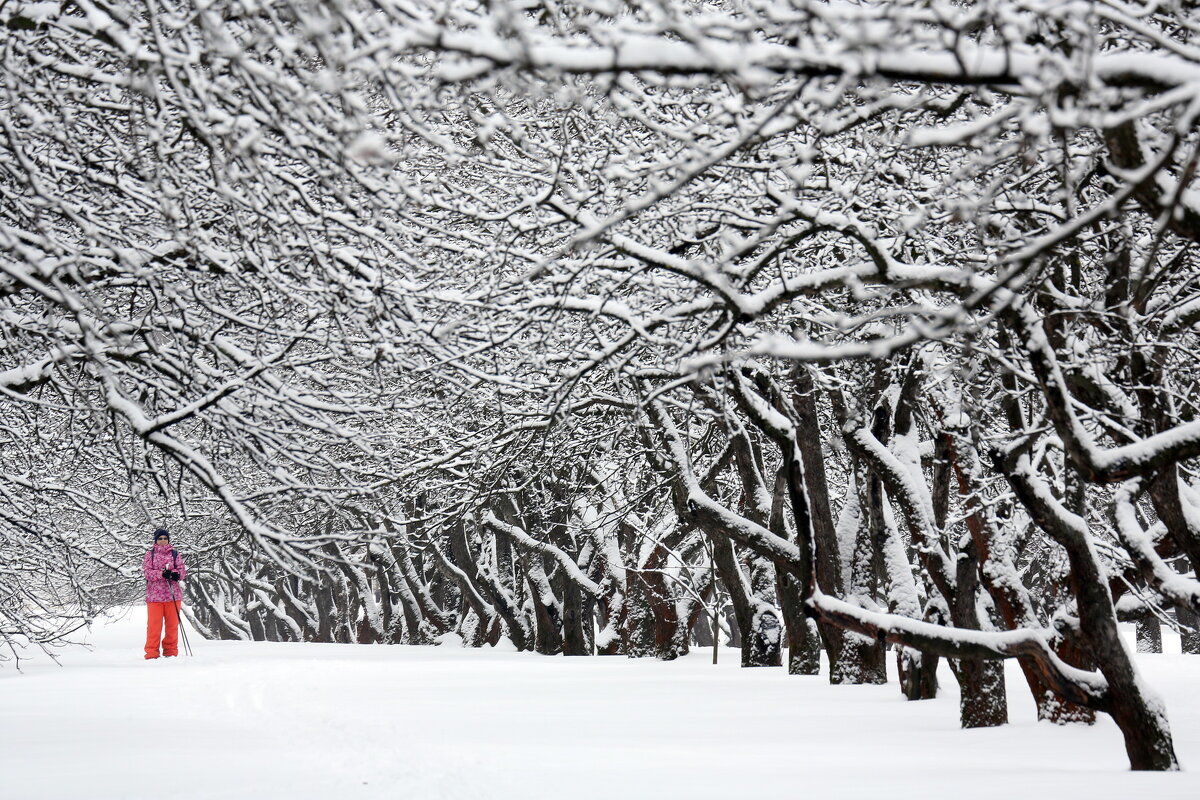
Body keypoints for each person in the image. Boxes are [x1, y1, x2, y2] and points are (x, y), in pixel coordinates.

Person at [143, 528, 188, 659]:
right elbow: (147, 573)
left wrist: (175, 575)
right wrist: (161, 574)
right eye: (160, 538)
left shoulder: (174, 554)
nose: (163, 541)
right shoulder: (150, 555)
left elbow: (182, 571)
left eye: (165, 538)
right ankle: (151, 653)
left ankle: (171, 652)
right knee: (153, 627)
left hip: (173, 596)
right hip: (154, 597)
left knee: (172, 626)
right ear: (156, 540)